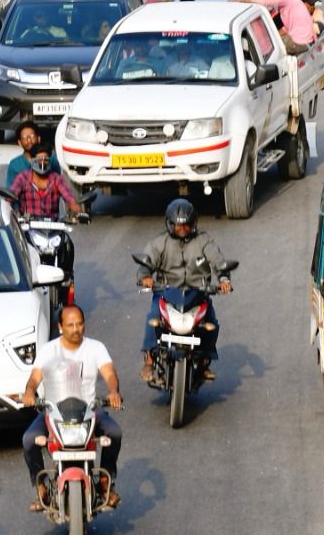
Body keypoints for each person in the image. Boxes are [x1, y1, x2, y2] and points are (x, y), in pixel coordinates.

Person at [21, 304, 123, 512]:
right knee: (29, 440)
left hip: (88, 410)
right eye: (70, 325)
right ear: (60, 327)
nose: (76, 329)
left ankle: (105, 482)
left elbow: (110, 373)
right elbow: (34, 378)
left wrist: (113, 391)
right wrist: (30, 392)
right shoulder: (49, 350)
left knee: (114, 432)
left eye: (79, 324)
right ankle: (41, 488)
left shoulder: (96, 347)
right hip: (54, 413)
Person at [137, 199, 232, 381]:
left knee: (211, 323)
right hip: (167, 292)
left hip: (198, 293)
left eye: (186, 225)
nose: (182, 228)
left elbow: (219, 263)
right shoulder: (160, 243)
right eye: (177, 225)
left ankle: (204, 362)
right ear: (169, 224)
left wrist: (224, 280)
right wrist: (145, 277)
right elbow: (145, 264)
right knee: (153, 317)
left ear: (193, 223)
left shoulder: (204, 241)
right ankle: (149, 360)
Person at [236, 0, 314, 54]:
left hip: (299, 42)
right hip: (307, 41)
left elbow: (265, 2)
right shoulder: (288, 4)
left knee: (268, 47)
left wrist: (242, 0)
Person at [8, 148, 85, 223]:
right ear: (32, 161)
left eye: (45, 160)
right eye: (39, 160)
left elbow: (70, 199)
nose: (42, 163)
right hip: (28, 224)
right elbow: (9, 197)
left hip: (53, 225)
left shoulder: (56, 179)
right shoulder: (22, 178)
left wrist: (80, 213)